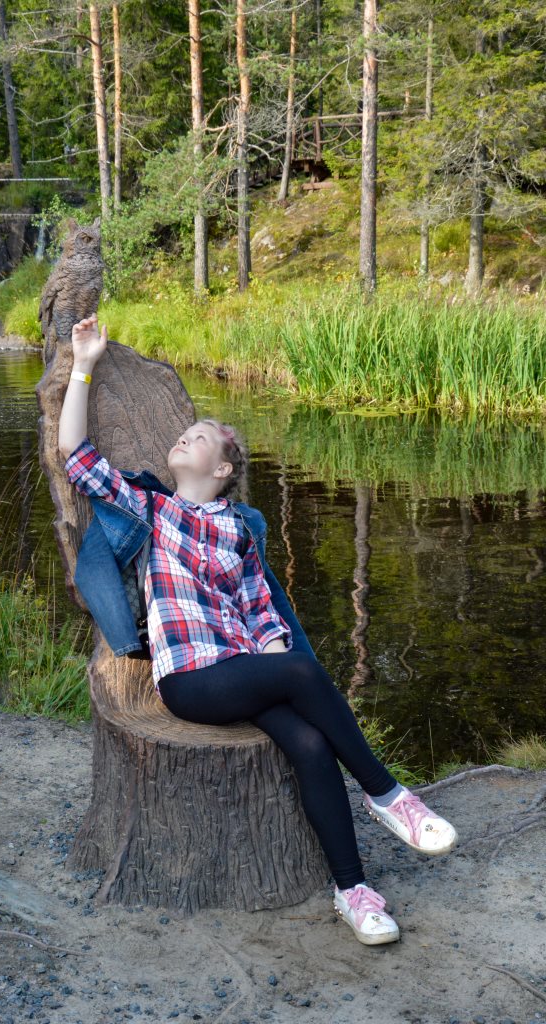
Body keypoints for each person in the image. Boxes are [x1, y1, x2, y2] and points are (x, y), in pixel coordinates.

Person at [58, 313, 458, 947]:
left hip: (244, 669)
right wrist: (83, 362)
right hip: (192, 680)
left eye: (199, 437)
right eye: (185, 433)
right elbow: (76, 456)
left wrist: (271, 650)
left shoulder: (240, 530)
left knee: (310, 743)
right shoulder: (153, 511)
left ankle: (353, 892)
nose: (185, 437)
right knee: (300, 668)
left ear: (222, 470)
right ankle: (386, 795)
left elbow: (263, 615)